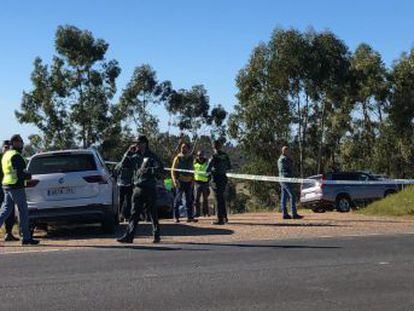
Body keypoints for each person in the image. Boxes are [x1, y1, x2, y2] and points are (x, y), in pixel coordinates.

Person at [117, 135, 163, 244]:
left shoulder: (152, 156)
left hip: (150, 187)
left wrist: (149, 170)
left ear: (145, 143)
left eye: (139, 143)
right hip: (137, 187)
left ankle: (156, 235)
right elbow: (121, 166)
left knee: (152, 213)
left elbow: (160, 168)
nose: (137, 145)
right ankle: (129, 236)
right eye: (136, 143)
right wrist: (127, 152)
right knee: (134, 213)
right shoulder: (134, 156)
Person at [0, 135, 39, 245]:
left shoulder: (6, 154)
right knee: (23, 211)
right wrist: (28, 176)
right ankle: (26, 238)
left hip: (7, 185)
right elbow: (20, 173)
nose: (22, 144)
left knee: (5, 211)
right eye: (20, 142)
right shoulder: (16, 156)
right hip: (16, 186)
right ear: (15, 143)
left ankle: (26, 237)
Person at [171, 142, 197, 223]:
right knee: (178, 200)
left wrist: (193, 180)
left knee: (189, 200)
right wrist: (174, 180)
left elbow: (193, 170)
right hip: (180, 182)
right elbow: (173, 170)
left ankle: (190, 217)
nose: (183, 149)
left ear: (188, 149)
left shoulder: (191, 158)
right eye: (182, 147)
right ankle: (176, 217)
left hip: (189, 182)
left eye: (185, 147)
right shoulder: (177, 158)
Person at [207, 139, 231, 225]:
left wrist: (212, 170)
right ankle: (225, 217)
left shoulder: (213, 156)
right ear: (220, 146)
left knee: (218, 199)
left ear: (213, 147)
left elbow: (207, 169)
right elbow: (229, 166)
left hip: (216, 180)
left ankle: (220, 219)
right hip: (223, 178)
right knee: (222, 198)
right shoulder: (225, 155)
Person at [277, 146, 303, 220]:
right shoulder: (284, 159)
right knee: (292, 195)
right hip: (286, 179)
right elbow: (289, 169)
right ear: (284, 151)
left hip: (282, 179)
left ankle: (285, 214)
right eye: (288, 151)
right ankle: (294, 213)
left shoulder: (280, 159)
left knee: (284, 197)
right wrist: (291, 159)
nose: (289, 152)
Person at [0, 140, 19, 241]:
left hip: (7, 186)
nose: (7, 149)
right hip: (3, 186)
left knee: (9, 211)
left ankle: (8, 233)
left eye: (8, 147)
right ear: (2, 148)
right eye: (5, 147)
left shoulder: (11, 158)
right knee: (4, 211)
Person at [115, 146, 135, 221]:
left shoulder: (131, 163)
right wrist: (128, 151)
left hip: (128, 184)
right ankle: (120, 215)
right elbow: (117, 169)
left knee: (128, 201)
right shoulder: (121, 164)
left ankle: (126, 215)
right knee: (121, 200)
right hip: (121, 184)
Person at [193, 150, 210, 217]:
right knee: (196, 199)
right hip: (197, 182)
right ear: (197, 156)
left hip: (205, 182)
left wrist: (209, 179)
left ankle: (205, 212)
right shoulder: (194, 163)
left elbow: (209, 171)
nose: (200, 156)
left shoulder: (207, 162)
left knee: (205, 198)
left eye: (201, 155)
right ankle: (197, 213)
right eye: (199, 155)